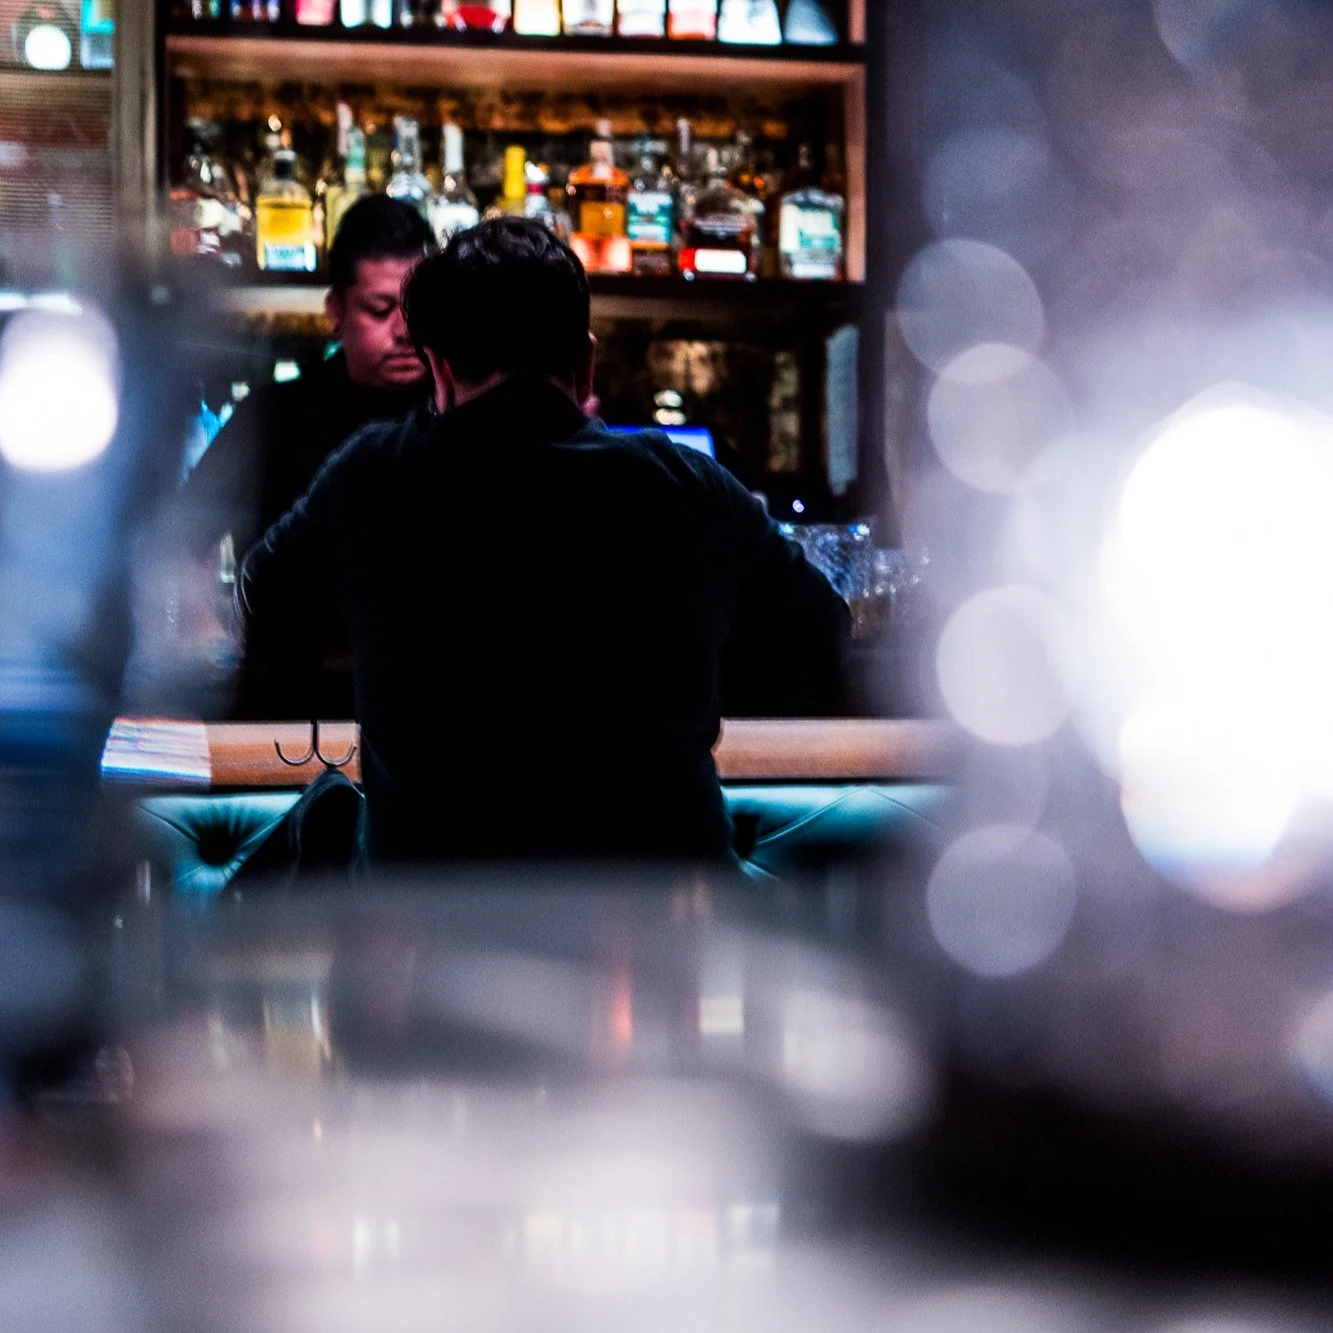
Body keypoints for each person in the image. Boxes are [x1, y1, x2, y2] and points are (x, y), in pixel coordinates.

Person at [240, 217, 850, 863]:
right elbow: (821, 634)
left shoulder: (375, 472)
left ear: (440, 370)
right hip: (661, 922)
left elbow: (264, 603)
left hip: (435, 921)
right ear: (586, 363)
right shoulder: (684, 482)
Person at [179, 195, 436, 717]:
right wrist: (210, 639)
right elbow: (178, 544)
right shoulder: (275, 413)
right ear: (335, 312)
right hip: (284, 706)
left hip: (428, 713)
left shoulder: (462, 415)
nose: (405, 330)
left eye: (419, 310)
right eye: (381, 310)